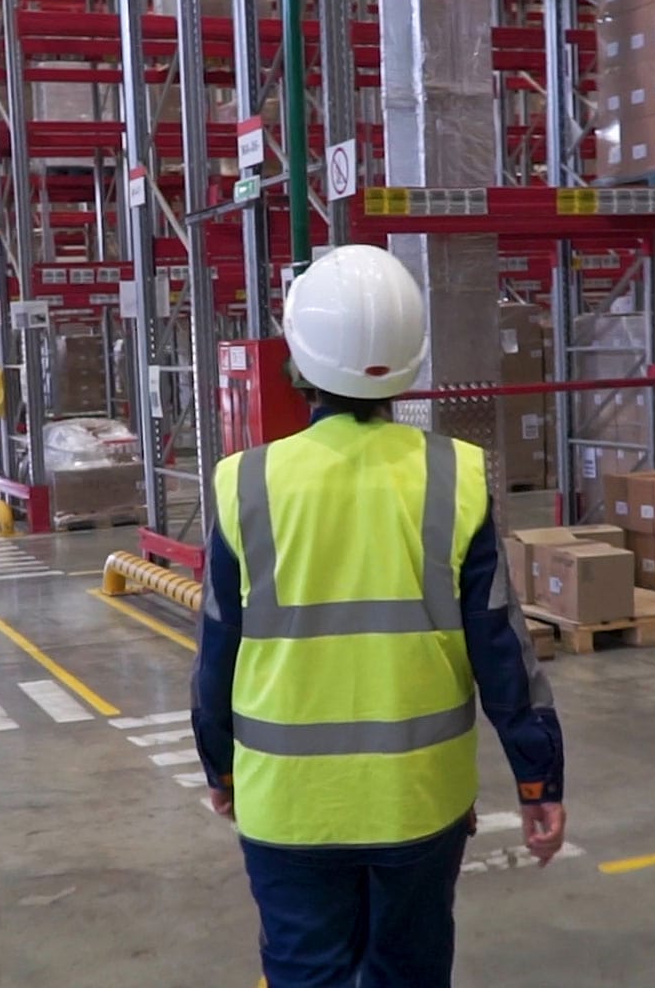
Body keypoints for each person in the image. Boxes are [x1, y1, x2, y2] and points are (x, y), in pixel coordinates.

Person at [192, 244, 566, 988]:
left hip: (288, 804)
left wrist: (220, 764)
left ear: (297, 358)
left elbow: (215, 655)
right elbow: (503, 651)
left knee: (306, 973)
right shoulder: (453, 474)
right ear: (408, 361)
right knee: (409, 971)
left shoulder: (247, 483)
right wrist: (539, 779)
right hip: (416, 801)